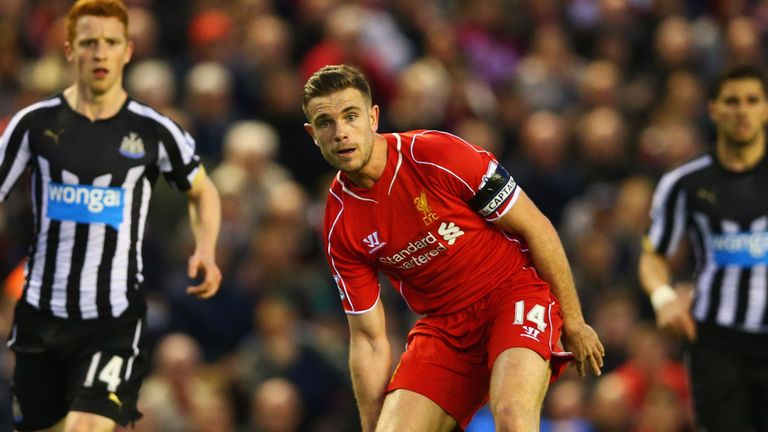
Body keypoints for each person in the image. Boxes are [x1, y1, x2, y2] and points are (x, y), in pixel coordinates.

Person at [302, 64, 604, 432]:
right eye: (325, 123)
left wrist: (574, 320)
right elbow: (368, 337)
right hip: (443, 329)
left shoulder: (437, 154)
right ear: (312, 134)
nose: (341, 133)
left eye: (350, 116)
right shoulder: (339, 224)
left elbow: (536, 227)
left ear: (373, 116)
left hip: (513, 294)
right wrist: (370, 424)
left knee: (511, 417)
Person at [1, 1, 222, 431]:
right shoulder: (33, 124)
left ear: (128, 50)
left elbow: (203, 190)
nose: (100, 53)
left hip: (112, 316)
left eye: (110, 43)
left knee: (88, 426)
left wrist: (207, 250)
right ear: (69, 51)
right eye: (88, 43)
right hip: (42, 316)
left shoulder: (154, 129)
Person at [639, 64, 768, 432]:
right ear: (713, 110)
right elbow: (654, 254)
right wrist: (663, 298)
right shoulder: (684, 182)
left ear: (766, 109)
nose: (742, 110)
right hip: (715, 342)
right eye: (731, 101)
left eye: (751, 100)